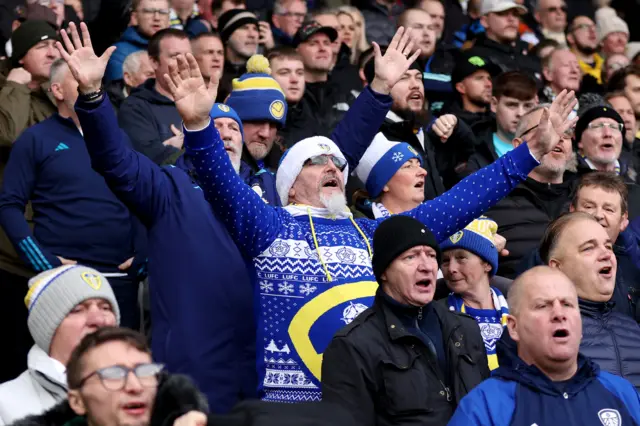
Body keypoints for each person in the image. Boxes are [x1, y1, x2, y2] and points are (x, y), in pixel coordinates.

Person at [177, 21, 577, 403]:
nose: (333, 167)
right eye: (318, 161)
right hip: (293, 404)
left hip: (371, 401)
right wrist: (198, 127)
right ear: (290, 184)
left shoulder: (377, 234)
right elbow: (222, 185)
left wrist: (530, 153)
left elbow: (463, 200)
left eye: (337, 162)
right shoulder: (269, 225)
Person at [56, 21, 403, 410]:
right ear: (195, 131)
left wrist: (379, 91)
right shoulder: (168, 188)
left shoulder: (276, 192)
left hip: (265, 366)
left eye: (233, 126)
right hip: (195, 369)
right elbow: (114, 161)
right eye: (214, 124)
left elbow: (335, 154)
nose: (226, 133)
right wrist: (91, 96)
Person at [0, 58, 142, 329]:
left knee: (119, 363)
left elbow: (139, 196)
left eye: (95, 82)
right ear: (57, 91)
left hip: (120, 277)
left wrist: (144, 251)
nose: (90, 86)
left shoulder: (118, 137)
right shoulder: (35, 138)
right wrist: (41, 258)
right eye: (79, 80)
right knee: (65, 365)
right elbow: (9, 204)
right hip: (62, 276)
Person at [321, 215, 490, 425]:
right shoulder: (353, 346)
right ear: (384, 272)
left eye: (431, 255)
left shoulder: (465, 328)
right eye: (411, 257)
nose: (427, 266)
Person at [448, 266, 640, 426]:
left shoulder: (620, 392)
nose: (559, 314)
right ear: (513, 328)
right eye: (542, 305)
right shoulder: (485, 405)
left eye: (567, 304)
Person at [0, 19, 61, 383]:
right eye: (42, 47)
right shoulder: (8, 89)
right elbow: (7, 134)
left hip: (52, 240)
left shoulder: (54, 98)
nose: (53, 51)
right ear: (21, 57)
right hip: (10, 250)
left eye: (56, 45)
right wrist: (13, 88)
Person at [0, 265, 119, 425]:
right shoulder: (5, 403)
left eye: (105, 308)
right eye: (77, 310)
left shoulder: (147, 391)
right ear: (47, 328)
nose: (98, 319)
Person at [540, 212, 640, 389]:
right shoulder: (541, 333)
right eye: (588, 248)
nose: (606, 255)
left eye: (609, 247)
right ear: (557, 267)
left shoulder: (632, 329)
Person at [486, 104, 577, 278]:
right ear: (518, 145)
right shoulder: (491, 198)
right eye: (548, 129)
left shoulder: (586, 197)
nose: (559, 138)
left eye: (566, 133)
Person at [569, 173, 640, 321]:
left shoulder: (633, 266)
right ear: (572, 211)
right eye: (588, 206)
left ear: (623, 221)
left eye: (608, 209)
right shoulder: (546, 256)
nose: (598, 215)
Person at [441, 217, 508, 371]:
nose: (451, 268)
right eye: (445, 260)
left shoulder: (519, 311)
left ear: (487, 264)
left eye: (461, 258)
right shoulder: (437, 316)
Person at [118, 28, 191, 165]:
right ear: (154, 62)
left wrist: (180, 145)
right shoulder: (135, 108)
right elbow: (149, 159)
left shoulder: (202, 102)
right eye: (175, 56)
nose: (184, 63)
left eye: (188, 56)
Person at [464, 71, 539, 174]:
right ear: (494, 104)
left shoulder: (550, 147)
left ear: (536, 105)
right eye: (512, 105)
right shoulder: (473, 149)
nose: (520, 113)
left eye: (527, 106)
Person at [225, 54, 287, 178]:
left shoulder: (286, 168)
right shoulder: (211, 165)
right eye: (257, 121)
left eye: (273, 125)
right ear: (235, 122)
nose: (265, 133)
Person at [352, 133, 427, 218]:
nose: (423, 172)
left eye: (419, 165)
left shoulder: (435, 219)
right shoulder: (362, 228)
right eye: (408, 166)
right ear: (384, 184)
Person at [465, 0, 541, 79]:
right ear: (484, 21)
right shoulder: (474, 56)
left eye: (515, 14)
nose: (511, 19)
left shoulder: (530, 51)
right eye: (502, 13)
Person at [104, 0, 171, 83]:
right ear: (134, 18)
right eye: (148, 11)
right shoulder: (119, 53)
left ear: (169, 19)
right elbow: (118, 92)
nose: (157, 17)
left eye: (163, 12)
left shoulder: (179, 47)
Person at [442, 53, 499, 131]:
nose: (489, 84)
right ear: (461, 88)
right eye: (479, 78)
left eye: (489, 79)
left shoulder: (500, 121)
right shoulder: (449, 127)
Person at [216, 9, 259, 102]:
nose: (252, 35)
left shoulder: (263, 74)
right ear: (227, 37)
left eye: (255, 29)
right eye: (244, 27)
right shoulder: (212, 72)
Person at [566, 16, 603, 89]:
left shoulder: (606, 66)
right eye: (584, 27)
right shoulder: (567, 68)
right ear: (570, 37)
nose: (592, 30)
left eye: (594, 26)